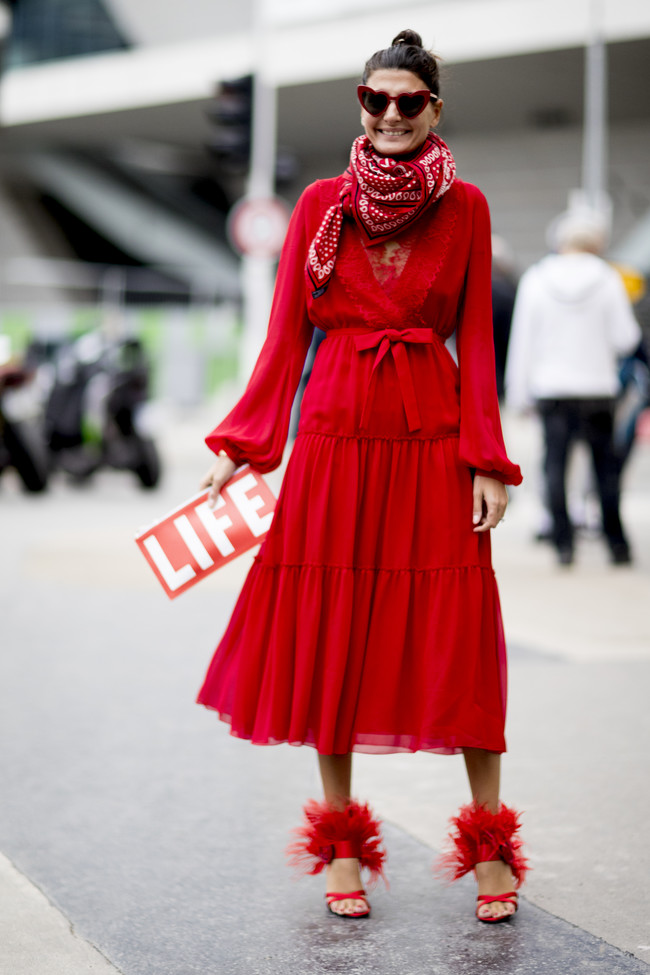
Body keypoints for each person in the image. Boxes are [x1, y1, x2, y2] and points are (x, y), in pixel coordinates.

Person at [198, 30, 527, 923]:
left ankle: (489, 842)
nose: (388, 114)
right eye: (373, 99)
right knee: (332, 631)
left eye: (407, 101)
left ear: (433, 109)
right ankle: (342, 844)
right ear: (360, 102)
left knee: (455, 629)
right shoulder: (318, 204)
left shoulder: (466, 207)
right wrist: (246, 443)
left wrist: (487, 461)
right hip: (336, 436)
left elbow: (482, 347)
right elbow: (283, 340)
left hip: (430, 432)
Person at [505, 210, 642, 566]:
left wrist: (519, 393)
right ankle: (617, 543)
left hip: (552, 389)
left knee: (554, 466)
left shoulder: (536, 279)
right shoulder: (608, 278)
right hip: (597, 387)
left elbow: (523, 342)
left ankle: (563, 543)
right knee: (605, 469)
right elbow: (626, 338)